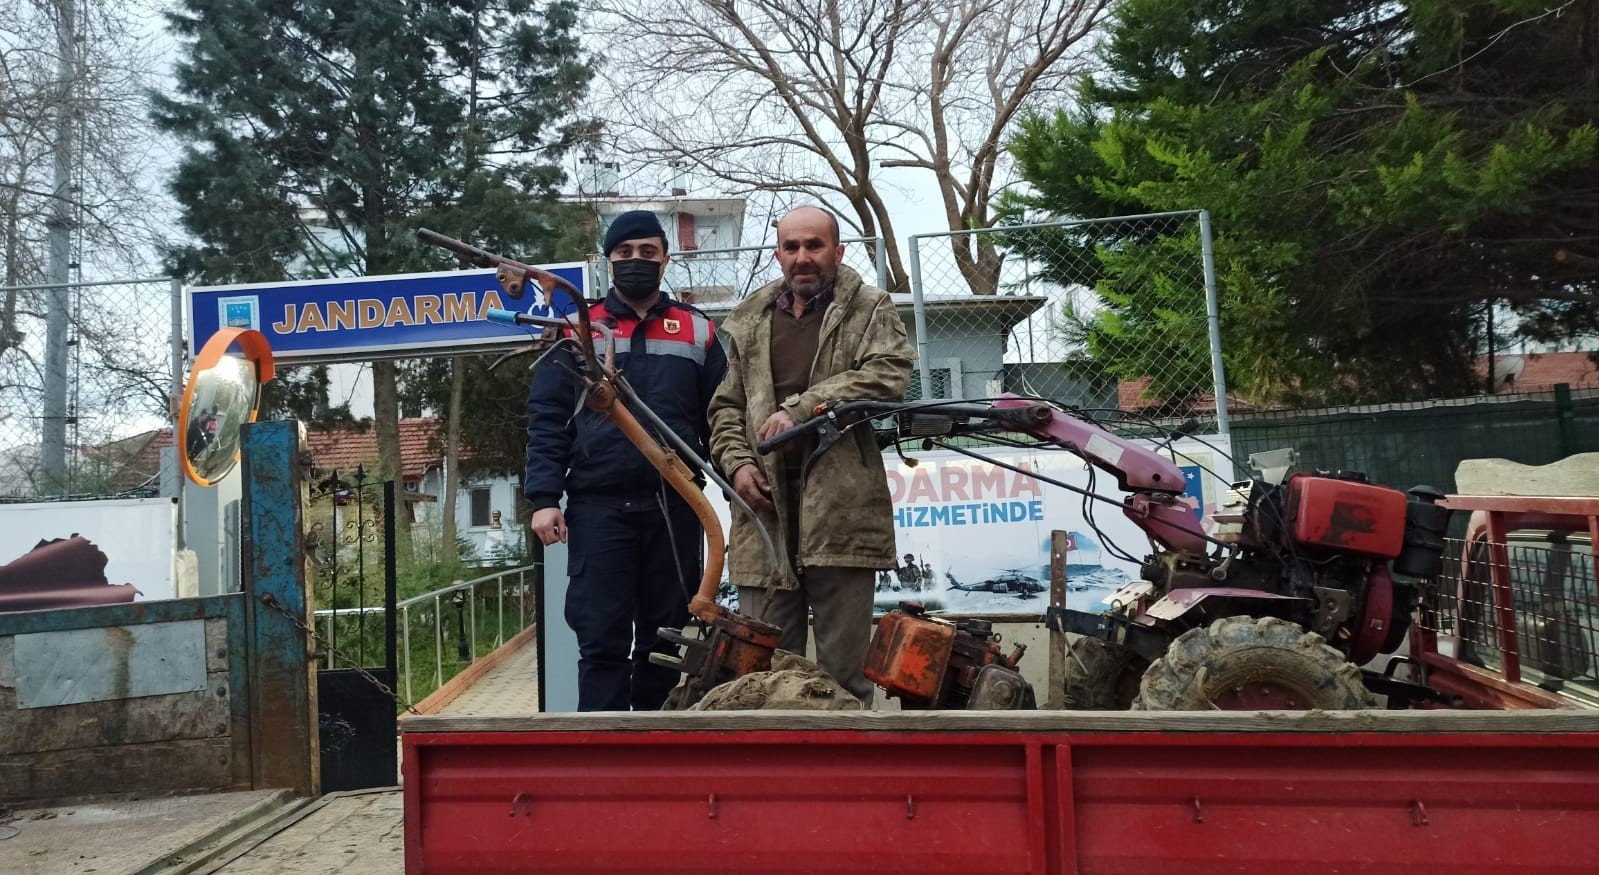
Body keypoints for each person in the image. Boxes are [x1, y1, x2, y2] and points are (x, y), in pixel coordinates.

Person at [708, 205, 913, 703]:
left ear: (837, 251)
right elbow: (725, 408)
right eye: (791, 246)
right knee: (762, 677)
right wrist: (736, 464)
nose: (803, 257)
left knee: (844, 678)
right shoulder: (747, 320)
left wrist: (802, 409)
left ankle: (852, 780)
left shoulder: (869, 307)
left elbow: (889, 374)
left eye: (814, 245)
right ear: (778, 254)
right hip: (765, 519)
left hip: (839, 515)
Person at [524, 210, 727, 711]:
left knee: (666, 641)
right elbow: (548, 417)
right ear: (608, 259)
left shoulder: (698, 331)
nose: (637, 261)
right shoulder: (578, 328)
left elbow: (722, 416)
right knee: (601, 640)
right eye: (626, 253)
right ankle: (599, 765)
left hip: (675, 504)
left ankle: (658, 762)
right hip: (599, 508)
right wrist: (545, 498)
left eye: (648, 253)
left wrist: (731, 478)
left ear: (665, 259)